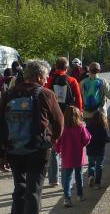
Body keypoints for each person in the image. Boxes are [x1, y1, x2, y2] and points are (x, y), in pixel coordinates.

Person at [0, 59, 64, 214]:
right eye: (46, 76)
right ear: (39, 76)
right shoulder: (46, 94)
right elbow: (59, 122)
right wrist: (53, 140)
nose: (47, 79)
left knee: (19, 189)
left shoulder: (8, 94)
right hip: (38, 150)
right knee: (33, 191)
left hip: (14, 150)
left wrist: (2, 153)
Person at [44, 57, 83, 187]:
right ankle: (69, 179)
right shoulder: (72, 81)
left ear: (55, 67)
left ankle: (54, 180)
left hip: (53, 118)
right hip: (68, 117)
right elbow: (78, 99)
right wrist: (79, 115)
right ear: (67, 68)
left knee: (54, 148)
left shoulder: (49, 81)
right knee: (69, 146)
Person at [54, 105, 91, 207]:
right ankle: (80, 195)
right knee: (79, 176)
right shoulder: (80, 127)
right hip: (78, 156)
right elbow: (87, 139)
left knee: (67, 178)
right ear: (77, 115)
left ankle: (67, 198)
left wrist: (58, 150)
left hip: (66, 157)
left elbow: (57, 142)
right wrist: (82, 144)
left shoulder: (63, 128)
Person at [85, 111, 110, 189]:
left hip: (90, 150)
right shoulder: (102, 127)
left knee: (91, 164)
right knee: (99, 166)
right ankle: (97, 184)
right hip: (100, 151)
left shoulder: (88, 127)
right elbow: (106, 139)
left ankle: (91, 176)